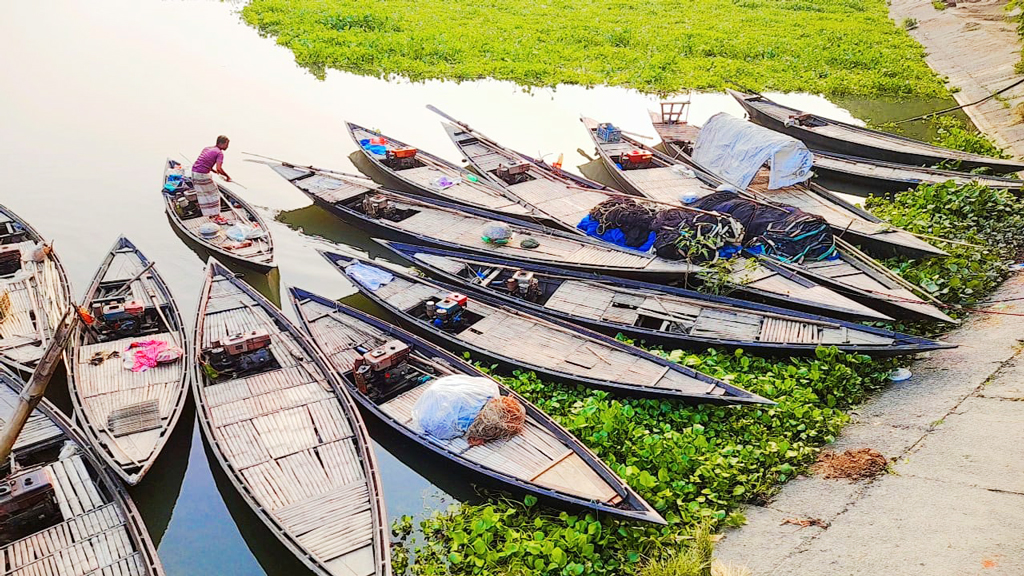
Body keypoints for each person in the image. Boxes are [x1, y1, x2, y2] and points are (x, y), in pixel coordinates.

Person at [192, 136, 232, 218]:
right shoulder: (219, 153)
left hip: (194, 172)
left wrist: (213, 171)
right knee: (214, 193)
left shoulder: (207, 148)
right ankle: (215, 215)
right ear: (221, 143)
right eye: (227, 144)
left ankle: (209, 213)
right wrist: (228, 177)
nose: (227, 146)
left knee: (204, 194)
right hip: (201, 174)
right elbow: (219, 168)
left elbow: (205, 162)